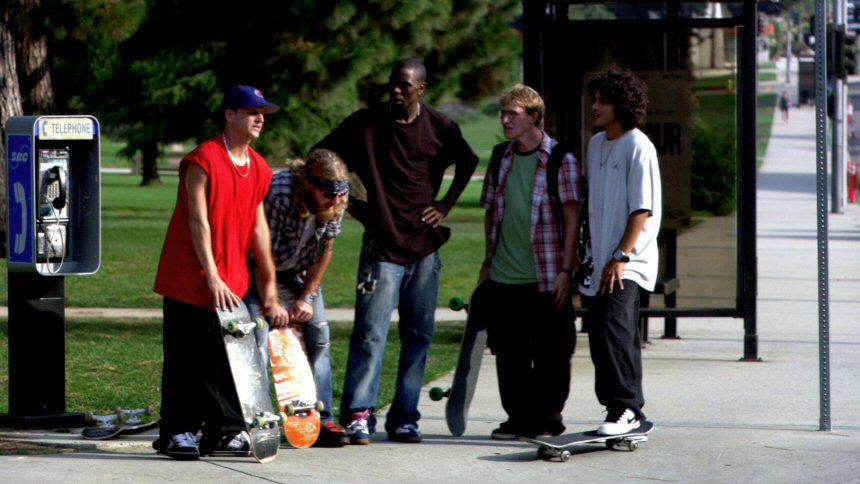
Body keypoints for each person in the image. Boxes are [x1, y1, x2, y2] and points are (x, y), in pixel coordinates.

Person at [313, 58, 478, 444]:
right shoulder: (366, 123)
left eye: (405, 84)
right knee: (370, 336)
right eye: (393, 83)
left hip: (424, 250)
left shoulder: (440, 126)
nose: (396, 90)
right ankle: (359, 414)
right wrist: (350, 204)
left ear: (421, 88)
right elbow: (320, 156)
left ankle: (405, 417)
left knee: (419, 335)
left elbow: (469, 160)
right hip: (382, 248)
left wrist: (445, 204)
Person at [152, 85, 288, 460]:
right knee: (186, 358)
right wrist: (210, 273)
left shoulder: (259, 167)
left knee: (227, 360)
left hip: (233, 282)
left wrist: (270, 288)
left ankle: (225, 431)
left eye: (263, 113)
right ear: (230, 115)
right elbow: (198, 220)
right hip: (190, 278)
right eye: (251, 111)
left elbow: (260, 230)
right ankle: (177, 432)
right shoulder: (204, 159)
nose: (260, 118)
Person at [479, 84, 582, 440]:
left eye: (513, 114)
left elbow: (572, 219)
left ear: (534, 116)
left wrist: (566, 270)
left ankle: (549, 417)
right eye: (503, 113)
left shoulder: (560, 159)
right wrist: (487, 261)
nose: (505, 120)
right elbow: (491, 211)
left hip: (547, 274)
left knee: (553, 353)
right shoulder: (499, 156)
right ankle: (518, 418)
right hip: (504, 275)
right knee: (510, 354)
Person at [243, 148, 351, 447]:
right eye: (330, 194)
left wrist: (306, 297)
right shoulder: (280, 195)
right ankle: (260, 419)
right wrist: (272, 301)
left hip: (299, 272)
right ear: (309, 184)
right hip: (256, 270)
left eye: (342, 194)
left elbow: (325, 250)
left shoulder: (336, 202)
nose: (338, 201)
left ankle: (322, 419)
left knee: (320, 334)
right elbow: (263, 253)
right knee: (259, 335)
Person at [582, 69, 662, 436]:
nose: (595, 106)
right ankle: (623, 409)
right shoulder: (596, 144)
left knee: (615, 330)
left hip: (628, 261)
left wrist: (621, 255)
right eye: (594, 98)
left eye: (603, 100)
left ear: (622, 105)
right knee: (601, 334)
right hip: (600, 260)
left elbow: (641, 209)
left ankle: (625, 408)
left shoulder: (638, 145)